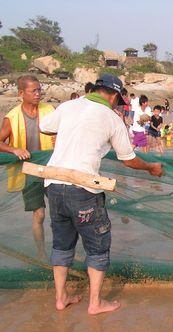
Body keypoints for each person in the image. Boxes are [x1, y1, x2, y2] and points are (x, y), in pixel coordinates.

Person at [39, 74, 164, 314]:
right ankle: (95, 303)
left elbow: (45, 128)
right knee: (97, 246)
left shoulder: (68, 106)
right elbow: (128, 159)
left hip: (53, 183)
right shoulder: (112, 118)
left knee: (62, 244)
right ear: (115, 95)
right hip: (84, 188)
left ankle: (60, 298)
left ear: (96, 89)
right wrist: (151, 167)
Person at [0, 75, 55, 259]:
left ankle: (61, 250)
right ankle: (41, 253)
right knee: (39, 214)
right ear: (21, 93)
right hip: (29, 172)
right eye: (34, 91)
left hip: (52, 169)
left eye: (40, 89)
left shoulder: (49, 110)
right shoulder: (12, 117)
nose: (38, 94)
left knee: (60, 212)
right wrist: (13, 149)